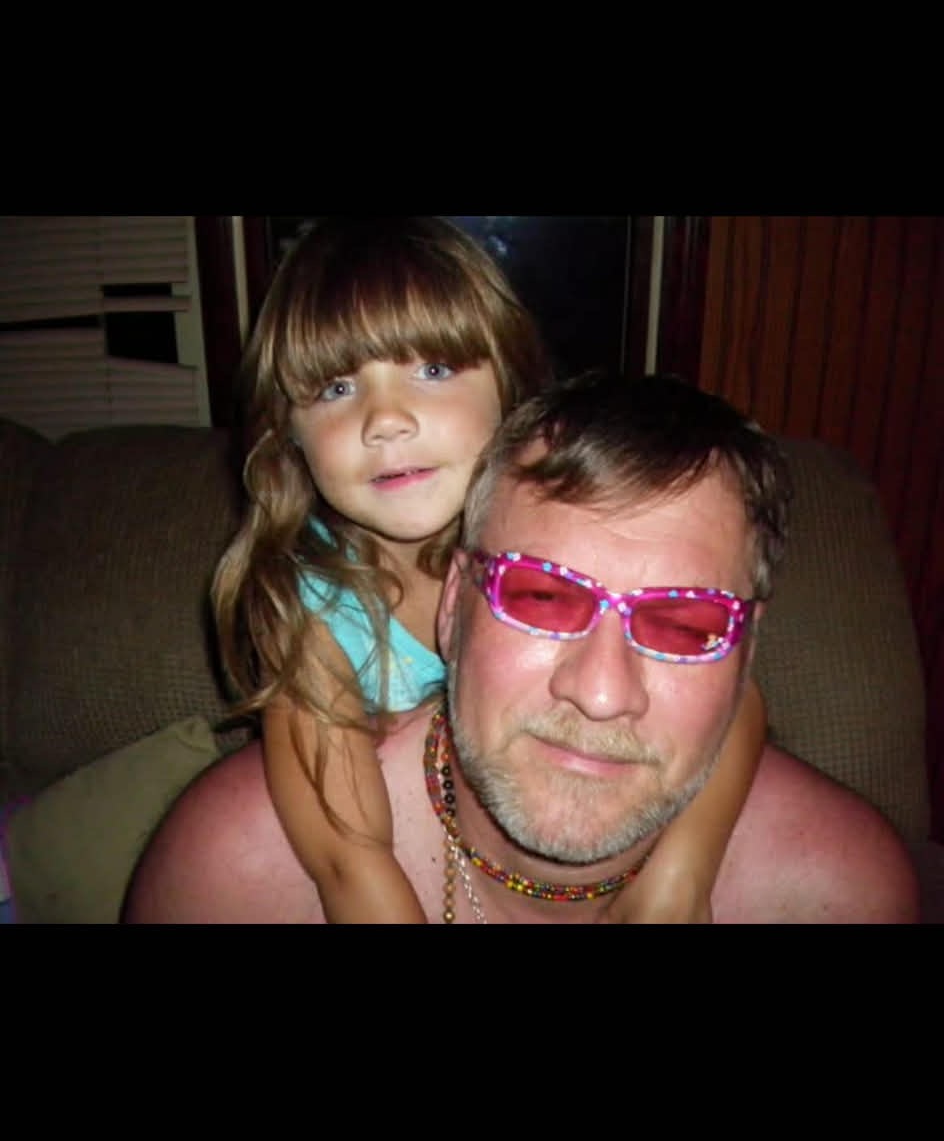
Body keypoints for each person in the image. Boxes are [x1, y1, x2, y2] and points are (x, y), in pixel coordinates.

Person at [125, 369, 918, 925]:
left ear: (747, 651)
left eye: (684, 625)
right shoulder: (235, 876)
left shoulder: (841, 894)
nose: (601, 691)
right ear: (452, 606)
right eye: (542, 597)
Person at [187, 222, 765, 924]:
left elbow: (738, 702)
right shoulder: (307, 604)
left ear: (511, 388)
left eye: (433, 370)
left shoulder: (566, 542)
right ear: (288, 435)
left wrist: (683, 874)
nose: (386, 420)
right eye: (336, 387)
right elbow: (348, 859)